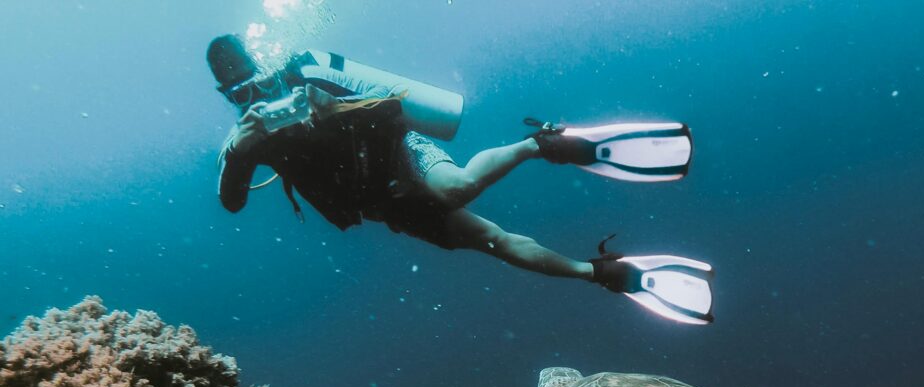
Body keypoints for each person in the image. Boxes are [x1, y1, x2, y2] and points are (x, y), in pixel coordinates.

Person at [207, 34, 711, 315]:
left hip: (400, 150)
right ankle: (603, 273)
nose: (252, 101)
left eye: (254, 86)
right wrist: (242, 151)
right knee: (491, 240)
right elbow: (231, 202)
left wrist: (320, 104)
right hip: (383, 204)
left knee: (456, 187)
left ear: (265, 70)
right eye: (237, 97)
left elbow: (384, 109)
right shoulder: (244, 141)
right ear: (227, 99)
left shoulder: (304, 76)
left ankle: (542, 144)